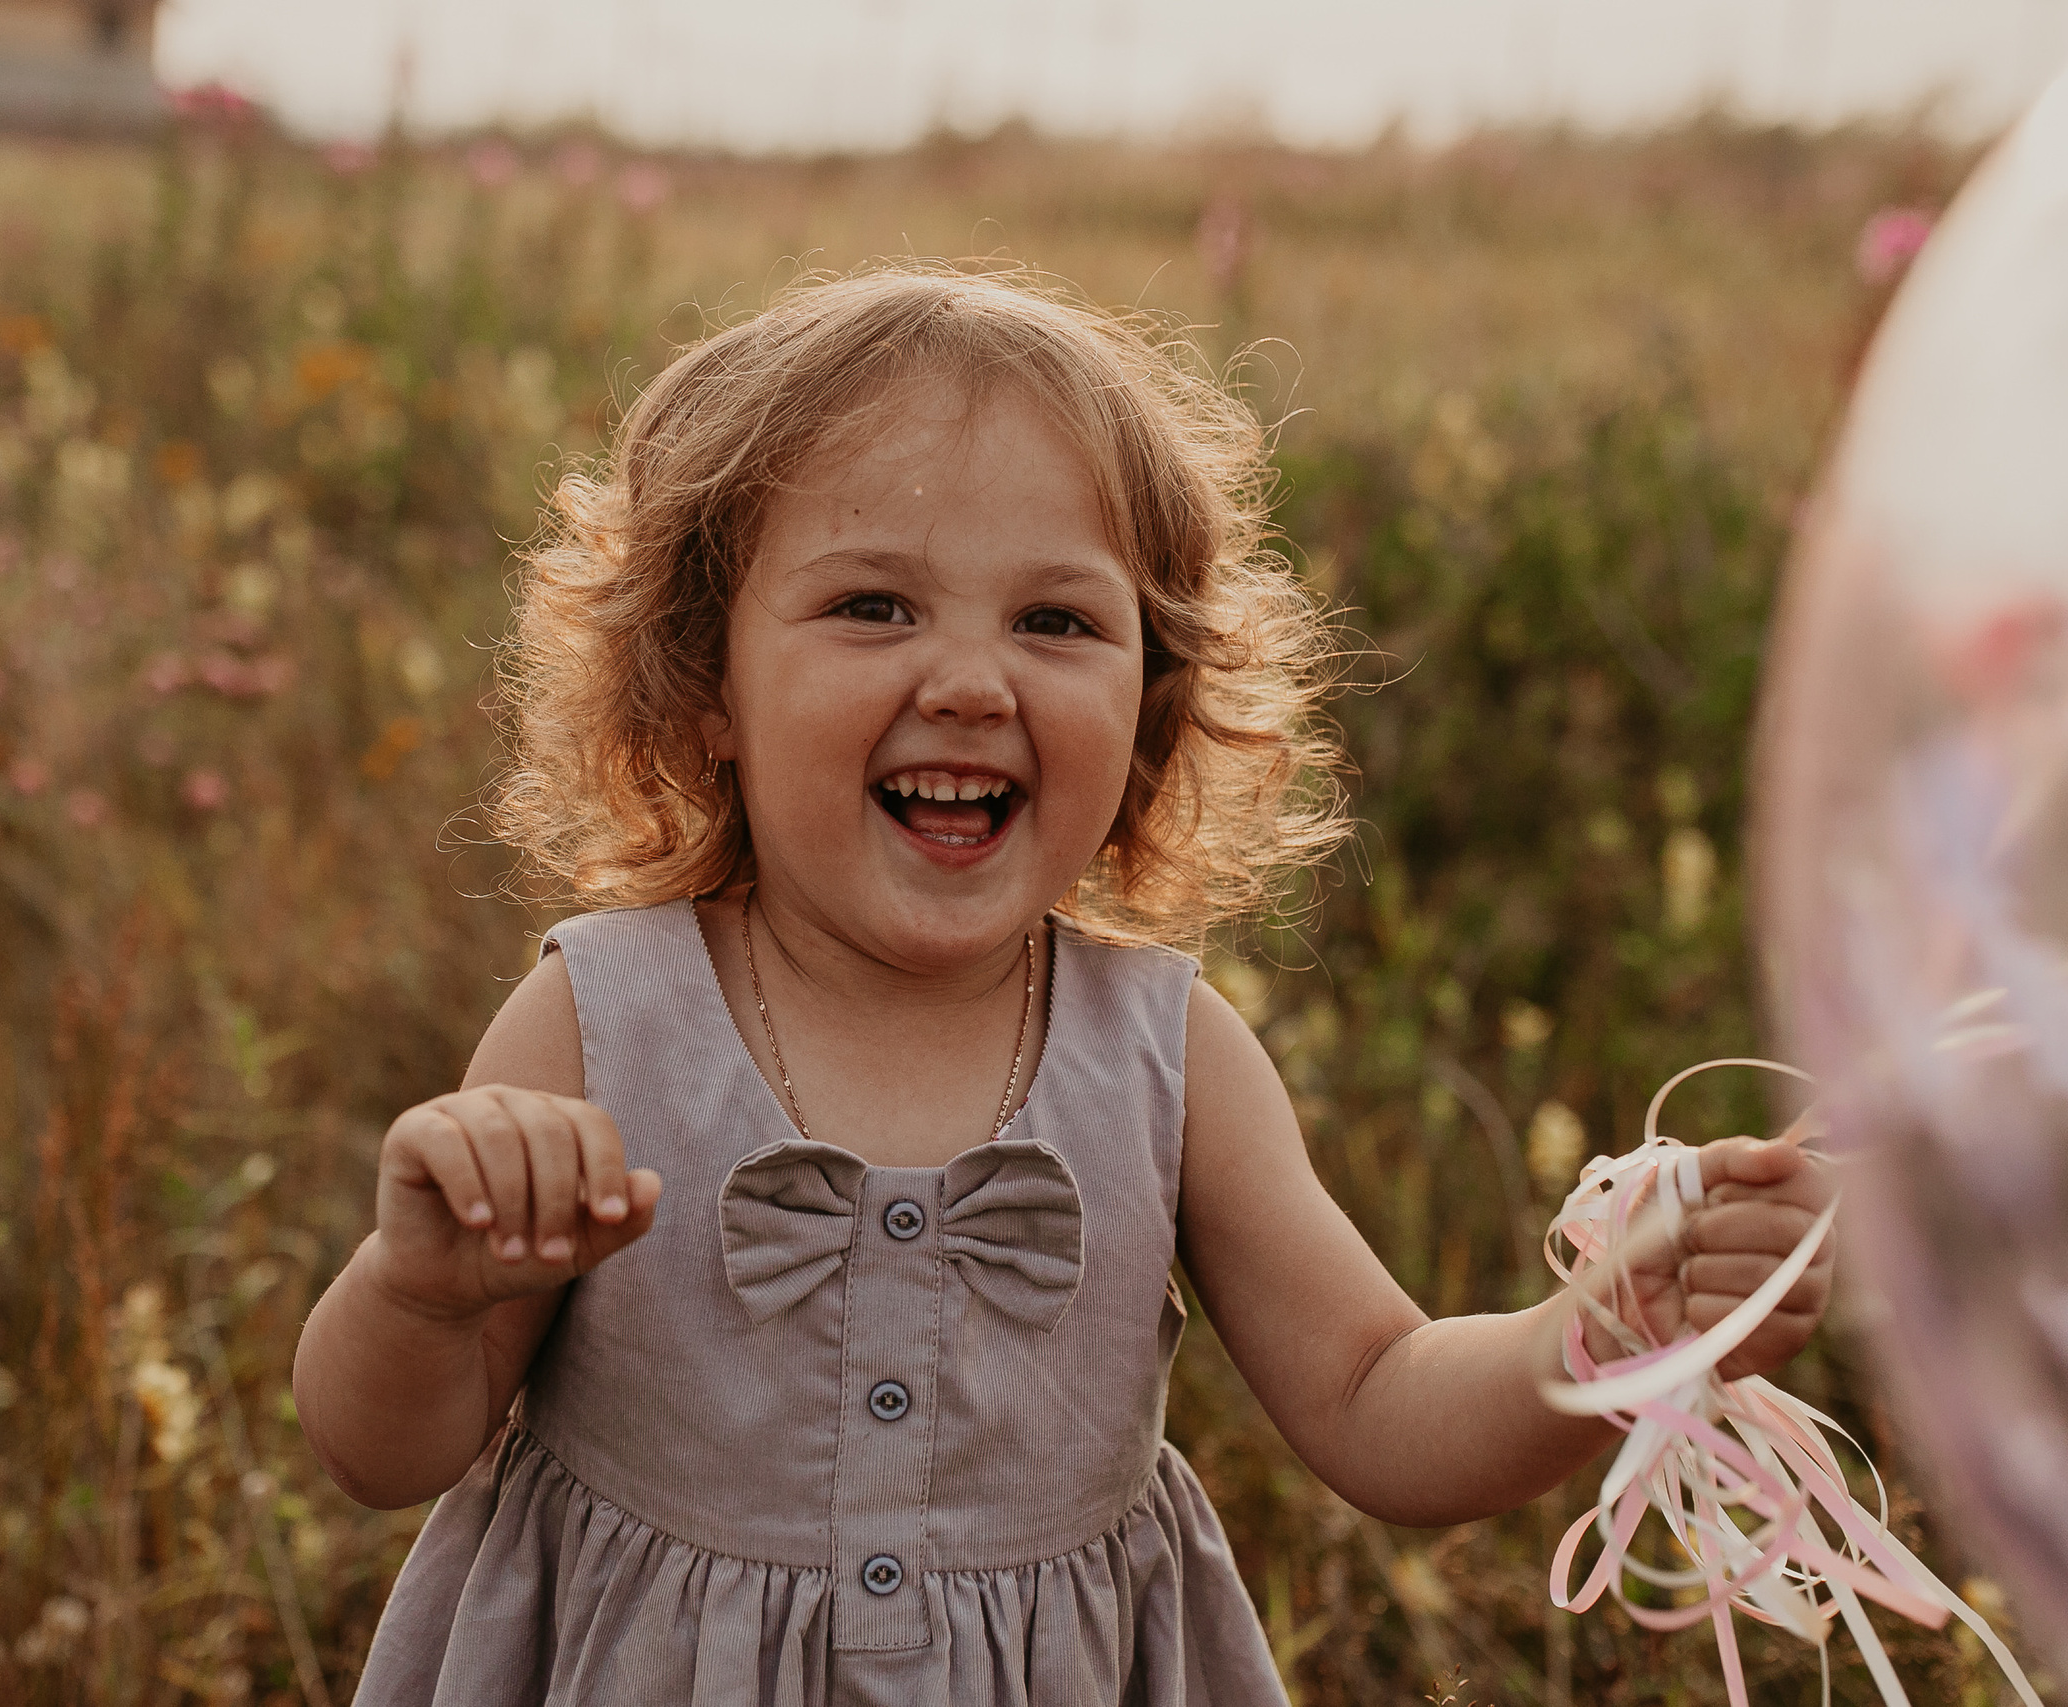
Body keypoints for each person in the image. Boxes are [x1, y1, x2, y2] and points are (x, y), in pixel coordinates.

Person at [292, 265, 1837, 1706]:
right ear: (706, 689)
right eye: (872, 606)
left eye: (1057, 621)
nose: (972, 679)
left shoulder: (1167, 1057)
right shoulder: (604, 1020)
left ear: (1152, 710)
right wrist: (422, 1291)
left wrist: (1607, 1332)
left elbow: (1379, 1403)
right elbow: (380, 1451)